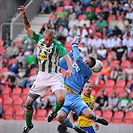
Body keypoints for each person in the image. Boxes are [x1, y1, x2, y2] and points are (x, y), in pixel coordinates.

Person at [18, 6, 72, 133]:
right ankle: (29, 125)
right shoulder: (39, 40)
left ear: (52, 38)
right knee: (28, 104)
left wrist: (69, 68)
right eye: (45, 39)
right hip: (42, 76)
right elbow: (27, 27)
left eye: (49, 40)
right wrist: (24, 14)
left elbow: (66, 57)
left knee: (61, 99)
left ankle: (53, 112)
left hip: (55, 75)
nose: (47, 42)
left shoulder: (57, 45)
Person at [48, 36, 108, 133]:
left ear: (90, 67)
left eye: (88, 63)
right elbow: (61, 62)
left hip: (75, 97)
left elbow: (79, 60)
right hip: (65, 96)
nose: (85, 62)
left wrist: (74, 44)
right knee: (60, 117)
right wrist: (72, 52)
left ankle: (96, 118)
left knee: (89, 115)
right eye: (86, 60)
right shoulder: (74, 65)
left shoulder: (87, 72)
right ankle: (75, 127)